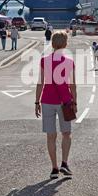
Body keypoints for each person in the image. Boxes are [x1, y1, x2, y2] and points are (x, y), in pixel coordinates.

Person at [35, 31, 77, 179]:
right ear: (65, 44)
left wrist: (36, 102)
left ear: (52, 43)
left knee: (50, 136)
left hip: (47, 100)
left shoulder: (44, 61)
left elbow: (40, 83)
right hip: (64, 102)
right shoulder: (69, 62)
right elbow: (73, 85)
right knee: (66, 133)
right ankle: (64, 163)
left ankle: (54, 168)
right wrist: (75, 102)